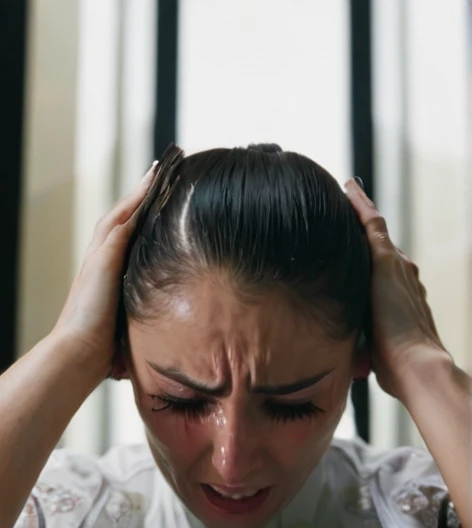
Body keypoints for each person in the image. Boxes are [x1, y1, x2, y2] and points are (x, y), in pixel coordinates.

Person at [1, 144, 470, 528]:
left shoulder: (418, 510)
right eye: (183, 400)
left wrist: (421, 362)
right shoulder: (66, 513)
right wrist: (71, 347)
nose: (232, 463)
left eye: (291, 406)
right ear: (118, 353)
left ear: (363, 356)